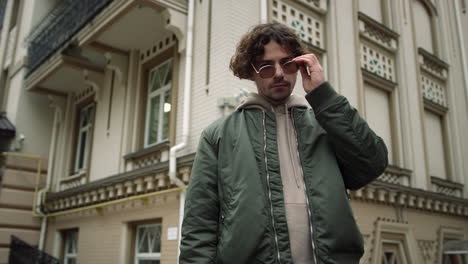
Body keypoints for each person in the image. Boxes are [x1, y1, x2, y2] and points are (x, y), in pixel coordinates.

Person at [179, 23, 388, 264]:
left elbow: (372, 165)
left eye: (287, 63)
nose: (279, 73)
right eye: (267, 67)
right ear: (250, 71)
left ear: (299, 66)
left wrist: (323, 95)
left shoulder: (326, 123)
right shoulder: (219, 135)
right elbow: (198, 226)